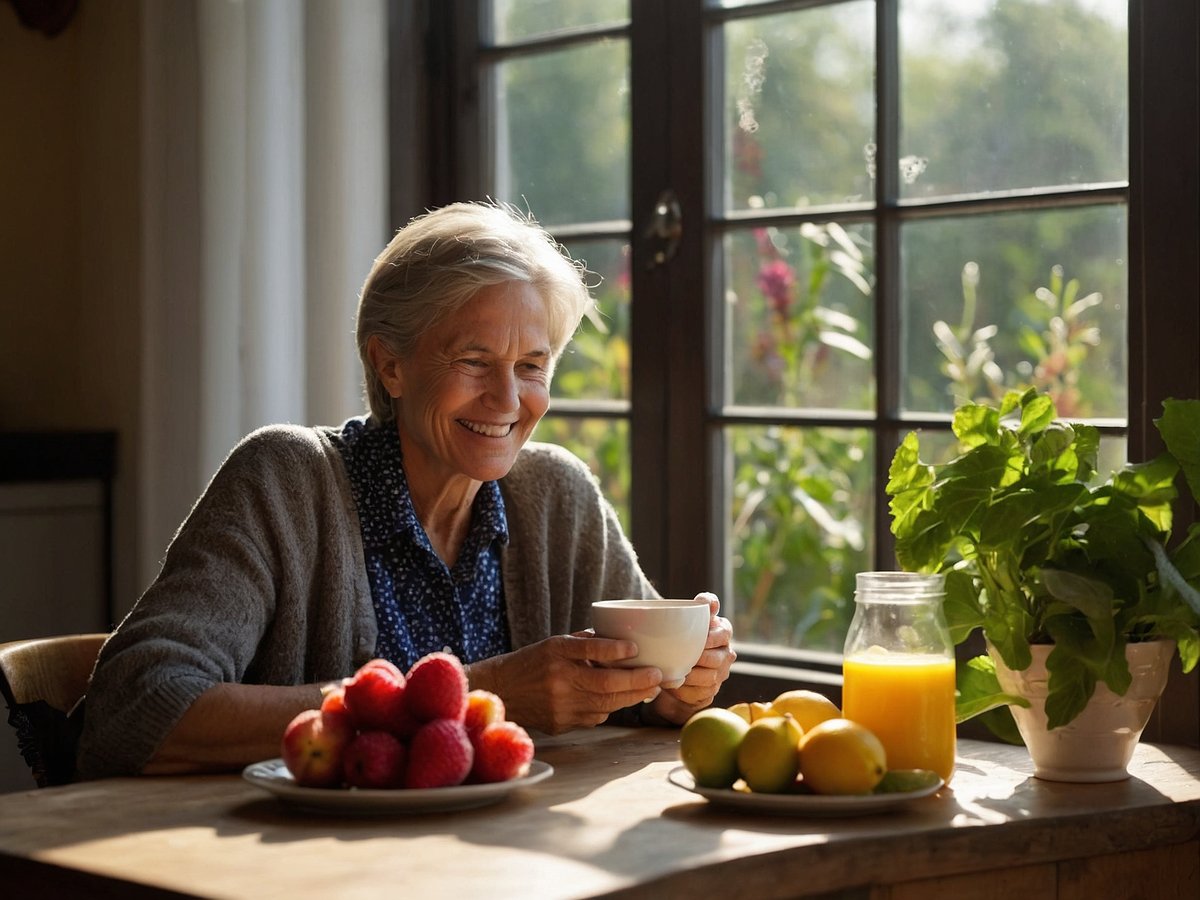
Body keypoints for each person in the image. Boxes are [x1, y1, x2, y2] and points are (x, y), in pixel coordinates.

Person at [76, 200, 735, 778]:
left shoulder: (556, 496)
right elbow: (136, 708)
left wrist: (676, 687)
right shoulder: (284, 481)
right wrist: (475, 691)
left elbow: (643, 690)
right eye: (474, 361)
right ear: (389, 365)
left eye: (532, 365)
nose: (508, 400)